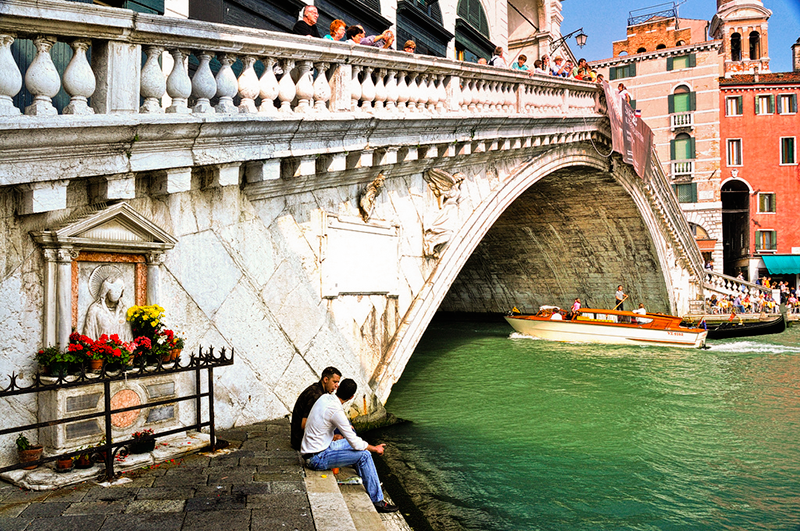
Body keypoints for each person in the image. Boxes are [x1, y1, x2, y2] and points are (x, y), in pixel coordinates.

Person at [301, 378, 399, 513]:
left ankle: (368, 478)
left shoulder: (325, 398)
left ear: (338, 388)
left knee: (353, 443)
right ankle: (378, 501)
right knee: (364, 455)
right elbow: (355, 442)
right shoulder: (336, 411)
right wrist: (375, 448)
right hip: (316, 458)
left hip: (314, 449)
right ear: (352, 397)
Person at [290, 366, 342, 451]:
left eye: (338, 382)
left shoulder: (318, 389)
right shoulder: (316, 396)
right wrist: (331, 437)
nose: (336, 386)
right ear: (326, 380)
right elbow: (304, 424)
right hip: (301, 440)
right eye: (334, 382)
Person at [83, 275, 133, 341]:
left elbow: (128, 335)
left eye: (119, 290)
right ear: (105, 291)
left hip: (122, 349)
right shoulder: (95, 309)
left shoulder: (123, 310)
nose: (117, 292)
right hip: (100, 349)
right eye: (113, 290)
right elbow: (89, 334)